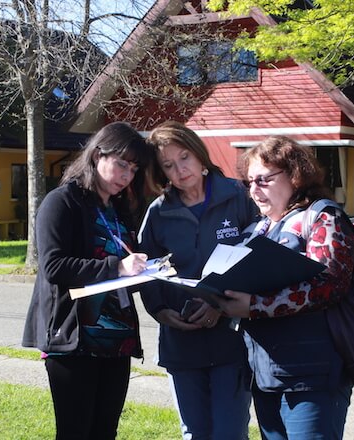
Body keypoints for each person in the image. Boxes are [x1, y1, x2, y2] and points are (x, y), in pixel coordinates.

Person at [214, 136, 354, 440]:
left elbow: (329, 285)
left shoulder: (322, 217)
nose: (254, 190)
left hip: (312, 374)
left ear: (295, 174)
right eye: (250, 181)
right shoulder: (257, 229)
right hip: (266, 373)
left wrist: (254, 306)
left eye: (264, 179)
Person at [21, 122, 152, 440]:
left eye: (133, 169)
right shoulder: (61, 202)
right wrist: (118, 267)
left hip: (116, 341)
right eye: (122, 164)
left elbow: (122, 270)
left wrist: (146, 272)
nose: (127, 175)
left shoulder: (119, 211)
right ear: (96, 155)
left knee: (105, 431)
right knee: (75, 432)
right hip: (74, 341)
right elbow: (54, 266)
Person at [138, 121, 258, 440]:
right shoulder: (158, 213)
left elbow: (261, 256)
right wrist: (160, 310)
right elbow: (147, 270)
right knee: (195, 433)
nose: (179, 170)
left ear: (200, 155)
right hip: (181, 341)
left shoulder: (239, 196)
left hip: (232, 340)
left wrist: (220, 304)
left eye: (185, 157)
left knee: (229, 432)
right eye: (168, 165)